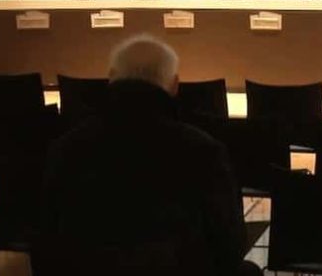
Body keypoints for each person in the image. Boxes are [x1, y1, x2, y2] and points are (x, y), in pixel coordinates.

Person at [34, 34, 259, 276]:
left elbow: (44, 243)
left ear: (111, 78)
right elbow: (229, 246)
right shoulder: (204, 151)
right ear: (174, 85)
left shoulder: (67, 148)